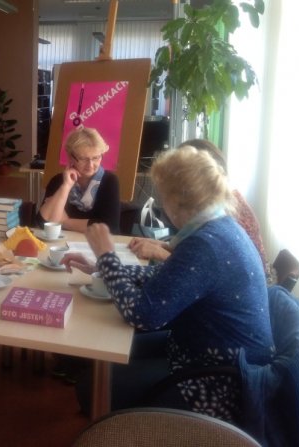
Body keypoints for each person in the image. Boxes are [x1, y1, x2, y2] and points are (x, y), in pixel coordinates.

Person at [65, 146, 274, 422]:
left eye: (163, 197)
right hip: (200, 352)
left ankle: (124, 433)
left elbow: (142, 314)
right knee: (102, 362)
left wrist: (106, 255)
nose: (162, 207)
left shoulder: (205, 245)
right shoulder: (219, 225)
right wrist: (101, 266)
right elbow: (169, 276)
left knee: (92, 386)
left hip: (219, 383)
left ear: (177, 202)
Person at [128, 139, 272, 281]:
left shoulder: (227, 214)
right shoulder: (220, 203)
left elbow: (201, 269)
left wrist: (159, 252)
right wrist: (164, 246)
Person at [37, 127, 120, 233]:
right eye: (83, 159)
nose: (90, 165)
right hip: (64, 241)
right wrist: (66, 187)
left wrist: (65, 222)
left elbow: (109, 227)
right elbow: (43, 222)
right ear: (71, 157)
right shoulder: (58, 181)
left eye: (96, 158)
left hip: (97, 242)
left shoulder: (110, 181)